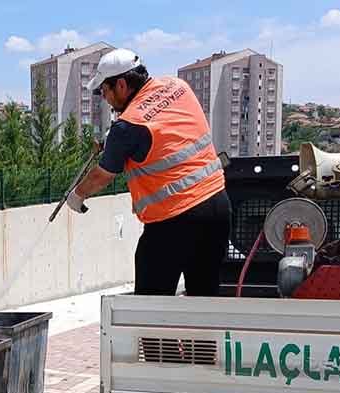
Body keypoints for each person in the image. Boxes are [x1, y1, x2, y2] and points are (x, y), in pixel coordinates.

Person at [66, 49, 232, 296]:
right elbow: (165, 124)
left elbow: (103, 175)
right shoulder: (177, 86)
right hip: (217, 207)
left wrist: (77, 195)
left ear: (121, 85)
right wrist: (118, 136)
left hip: (173, 221)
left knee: (150, 304)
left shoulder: (127, 127)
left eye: (104, 90)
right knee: (204, 299)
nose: (105, 98)